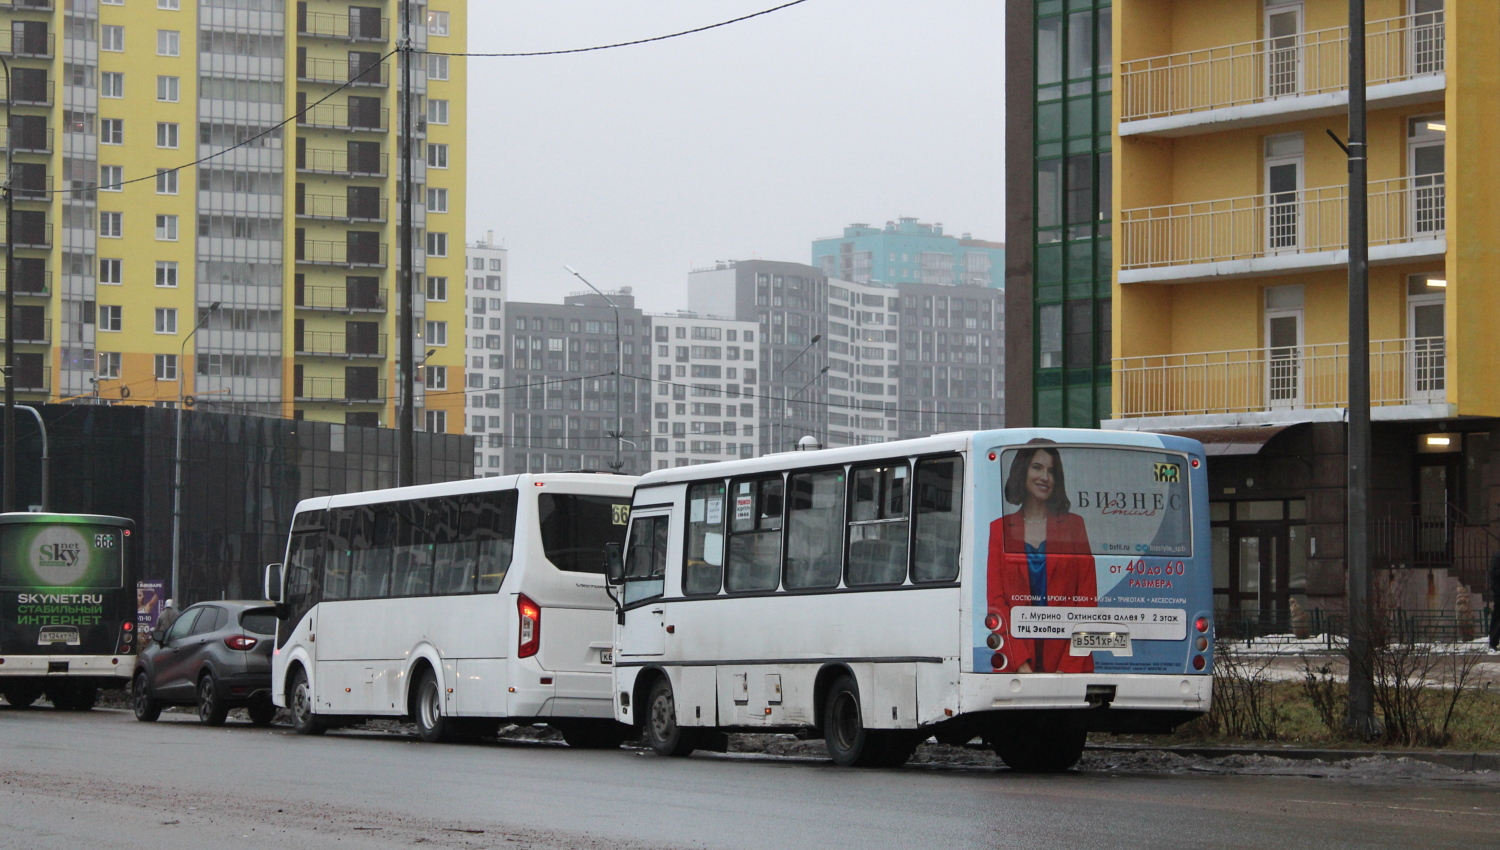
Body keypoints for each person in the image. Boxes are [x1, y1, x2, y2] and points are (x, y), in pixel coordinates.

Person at [986, 440, 1097, 674]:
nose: (1045, 477)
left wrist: (1067, 669)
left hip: (1068, 663)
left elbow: (1087, 602)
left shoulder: (1075, 526)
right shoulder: (999, 530)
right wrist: (1019, 663)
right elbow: (997, 604)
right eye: (1037, 467)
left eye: (1051, 471)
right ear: (1022, 471)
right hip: (1017, 662)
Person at [1488, 551, 1500, 652]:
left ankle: (1493, 642)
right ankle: (1493, 642)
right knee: (1497, 619)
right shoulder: (1498, 556)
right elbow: (1495, 574)